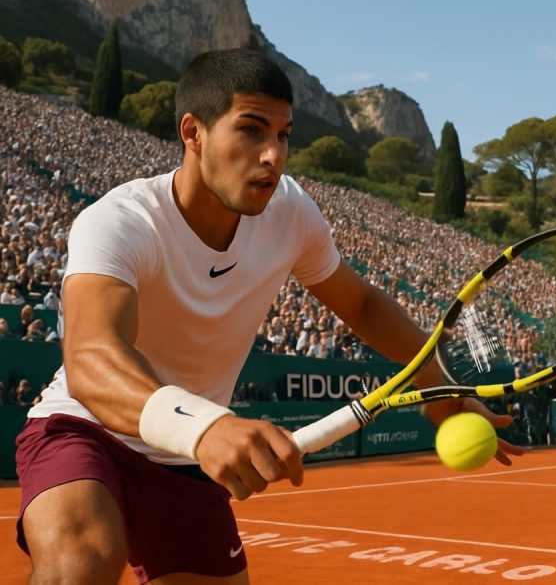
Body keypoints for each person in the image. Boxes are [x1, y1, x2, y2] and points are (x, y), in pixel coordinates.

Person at [14, 48, 522, 585]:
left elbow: (364, 304)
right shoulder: (119, 221)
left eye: (283, 135)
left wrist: (438, 386)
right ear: (194, 133)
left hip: (186, 460)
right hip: (84, 430)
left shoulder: (290, 212)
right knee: (79, 564)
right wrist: (207, 427)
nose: (273, 155)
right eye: (252, 131)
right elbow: (93, 358)